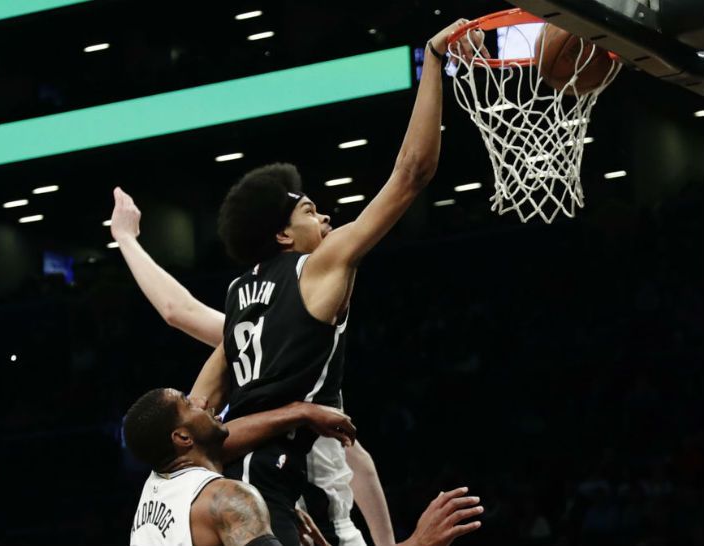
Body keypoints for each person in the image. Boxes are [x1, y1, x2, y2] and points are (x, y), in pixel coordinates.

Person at [116, 18, 486, 546]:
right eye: (312, 210)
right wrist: (432, 60)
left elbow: (179, 320)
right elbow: (411, 175)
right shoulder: (316, 268)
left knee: (345, 446)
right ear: (285, 237)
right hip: (274, 488)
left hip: (267, 480)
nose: (326, 218)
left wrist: (128, 241)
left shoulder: (241, 301)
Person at [124, 388, 483, 546]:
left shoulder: (154, 488)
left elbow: (225, 440)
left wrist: (301, 411)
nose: (203, 398)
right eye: (190, 403)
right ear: (183, 439)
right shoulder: (228, 500)